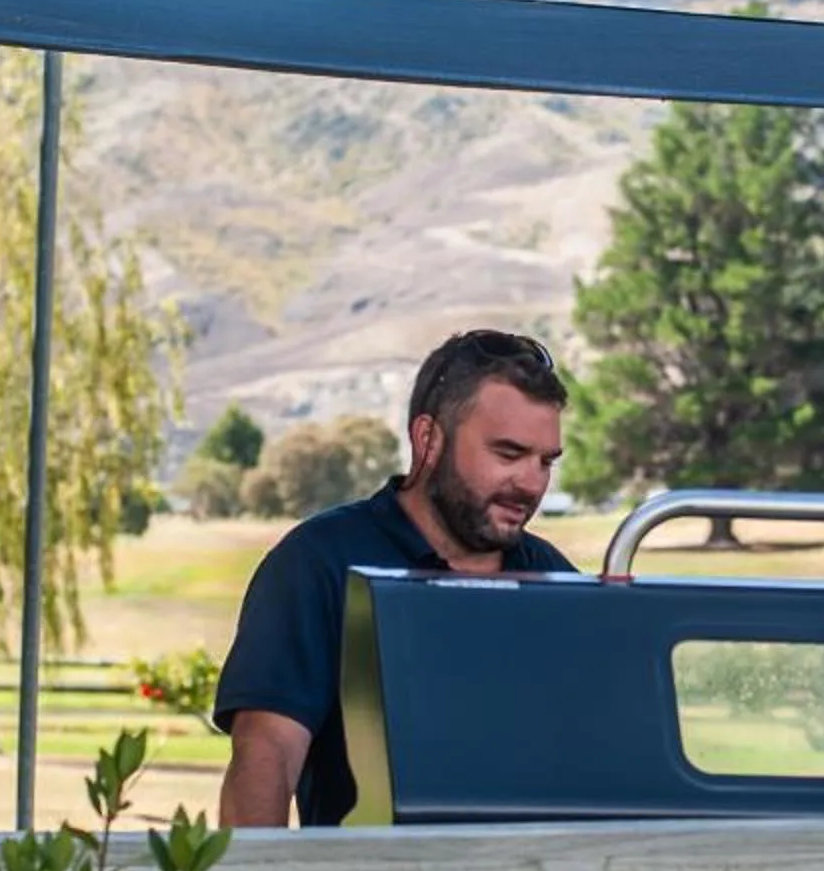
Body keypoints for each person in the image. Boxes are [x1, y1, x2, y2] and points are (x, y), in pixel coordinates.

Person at [213, 329, 572, 827]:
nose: (531, 483)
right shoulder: (319, 564)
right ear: (428, 439)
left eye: (545, 461)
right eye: (508, 455)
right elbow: (266, 757)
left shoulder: (558, 583)